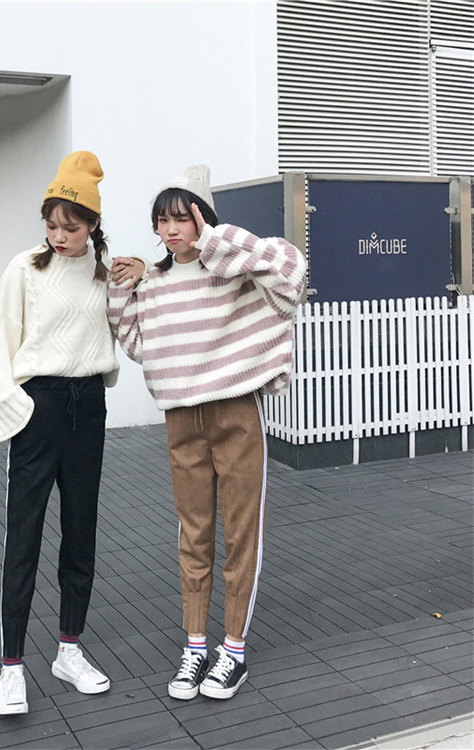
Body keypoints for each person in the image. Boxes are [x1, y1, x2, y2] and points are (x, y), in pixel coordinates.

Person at [108, 165, 306, 701]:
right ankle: (195, 645)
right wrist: (124, 286)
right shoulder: (155, 282)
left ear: (204, 219)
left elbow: (292, 269)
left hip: (236, 411)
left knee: (242, 532)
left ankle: (232, 651)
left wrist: (217, 240)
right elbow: (139, 344)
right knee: (192, 534)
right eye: (162, 220)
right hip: (182, 419)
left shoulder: (234, 270)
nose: (171, 229)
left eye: (183, 217)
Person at [0, 151, 142, 715]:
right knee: (23, 536)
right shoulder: (26, 268)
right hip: (40, 407)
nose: (58, 236)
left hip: (88, 407)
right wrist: (14, 410)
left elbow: (150, 302)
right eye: (51, 225)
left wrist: (146, 271)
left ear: (92, 224)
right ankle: (11, 668)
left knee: (80, 532)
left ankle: (69, 650)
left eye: (70, 227)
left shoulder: (106, 272)